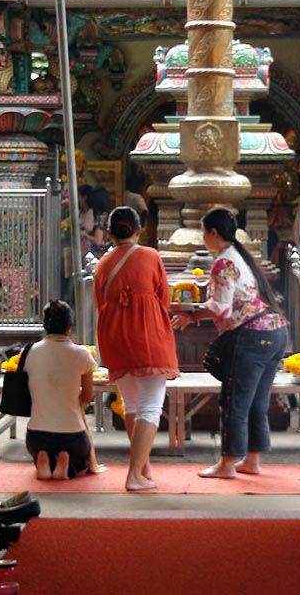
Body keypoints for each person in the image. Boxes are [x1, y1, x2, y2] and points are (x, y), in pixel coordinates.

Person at [171, 207, 288, 479]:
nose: (202, 237)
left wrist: (191, 313)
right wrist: (195, 315)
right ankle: (252, 460)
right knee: (257, 401)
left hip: (250, 336)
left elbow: (221, 308)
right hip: (274, 332)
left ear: (213, 233)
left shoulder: (223, 262)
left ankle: (227, 463)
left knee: (234, 401)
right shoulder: (240, 256)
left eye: (203, 232)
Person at [94, 206, 179, 491]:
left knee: (132, 404)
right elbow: (164, 299)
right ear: (139, 230)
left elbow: (99, 302)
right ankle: (134, 475)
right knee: (150, 407)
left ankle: (142, 467)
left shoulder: (102, 264)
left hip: (114, 338)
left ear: (109, 233)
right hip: (147, 337)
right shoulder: (150, 256)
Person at [24, 299, 99, 480]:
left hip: (36, 436)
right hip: (72, 437)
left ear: (45, 326)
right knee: (81, 462)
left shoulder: (30, 351)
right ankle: (67, 461)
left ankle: (43, 458)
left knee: (42, 447)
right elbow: (88, 398)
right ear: (70, 327)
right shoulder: (82, 354)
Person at [78, 184, 95, 260]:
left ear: (84, 197)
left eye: (79, 196)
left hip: (90, 250)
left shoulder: (92, 214)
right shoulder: (81, 213)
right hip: (81, 250)